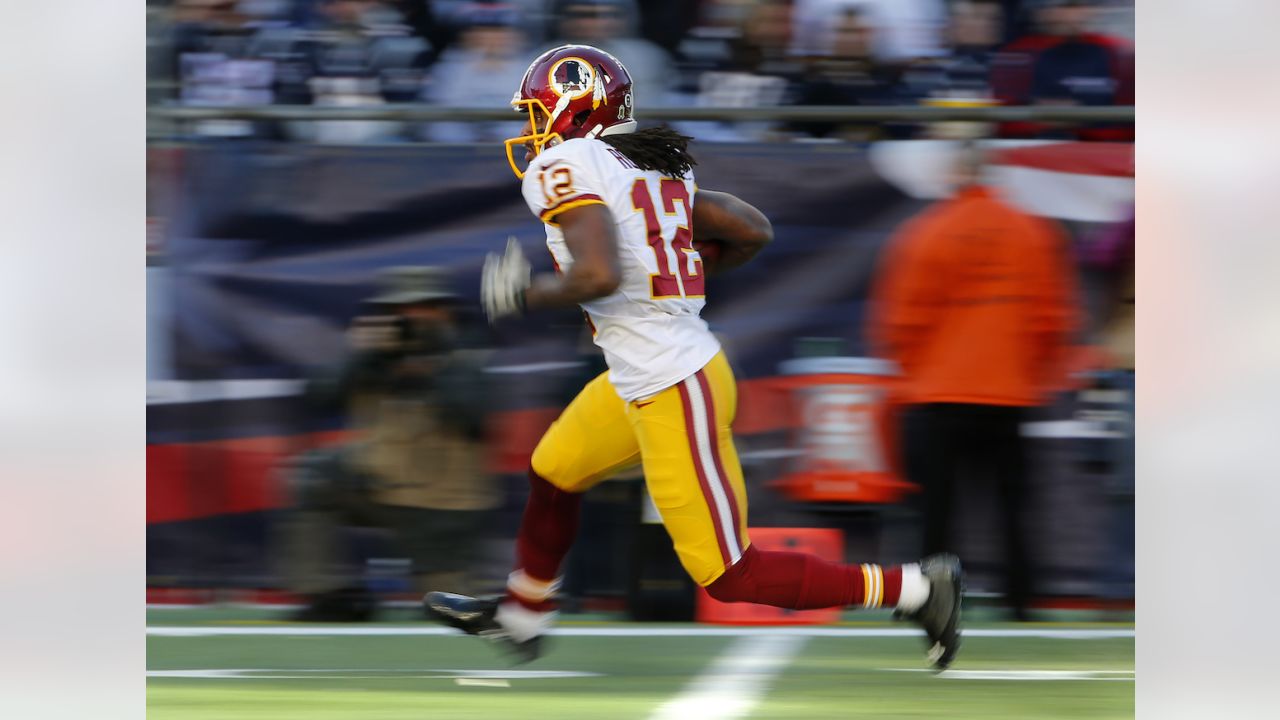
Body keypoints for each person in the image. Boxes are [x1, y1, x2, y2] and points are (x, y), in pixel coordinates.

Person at [424, 44, 964, 670]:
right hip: (645, 372)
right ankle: (523, 615)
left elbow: (597, 274)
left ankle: (916, 589)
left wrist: (529, 291)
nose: (529, 129)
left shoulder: (568, 163)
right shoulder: (650, 164)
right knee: (554, 471)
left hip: (673, 381)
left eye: (536, 112)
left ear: (574, 107)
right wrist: (680, 269)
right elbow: (750, 227)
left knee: (730, 573)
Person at [869, 143, 1080, 621]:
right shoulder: (1031, 230)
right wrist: (1038, 374)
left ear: (953, 176)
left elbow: (900, 319)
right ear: (993, 174)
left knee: (937, 512)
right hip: (1007, 394)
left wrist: (911, 372)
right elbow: (1053, 317)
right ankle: (1021, 604)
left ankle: (932, 603)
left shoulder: (924, 232)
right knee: (1014, 507)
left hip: (938, 393)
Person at [281, 266, 497, 621]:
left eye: (419, 310)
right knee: (314, 474)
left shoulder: (467, 355)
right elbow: (319, 397)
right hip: (377, 488)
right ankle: (328, 594)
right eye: (398, 311)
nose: (408, 318)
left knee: (452, 613)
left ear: (443, 311)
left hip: (441, 509)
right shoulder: (378, 356)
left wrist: (435, 363)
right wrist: (361, 357)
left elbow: (473, 415)